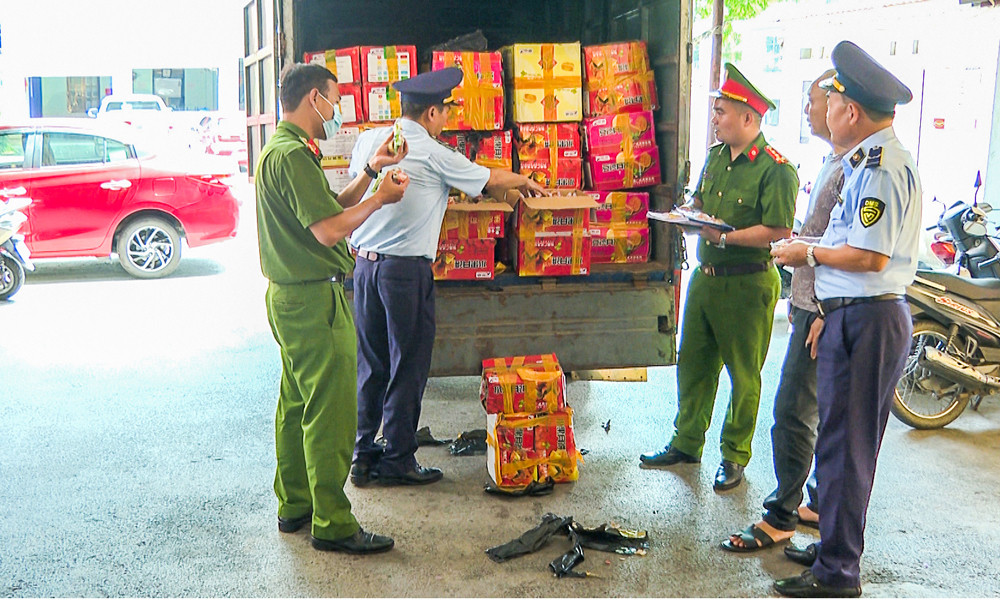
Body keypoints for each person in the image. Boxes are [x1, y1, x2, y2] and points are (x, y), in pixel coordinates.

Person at [347, 68, 547, 487]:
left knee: (373, 364)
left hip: (364, 267)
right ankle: (399, 458)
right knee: (409, 364)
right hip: (404, 273)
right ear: (433, 112)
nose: (448, 119)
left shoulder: (370, 140)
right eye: (446, 111)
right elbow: (489, 180)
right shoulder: (433, 151)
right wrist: (525, 179)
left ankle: (363, 454)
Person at [770, 40, 920, 597]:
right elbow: (854, 253)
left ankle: (837, 574)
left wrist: (803, 252)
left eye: (828, 101)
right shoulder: (866, 162)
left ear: (850, 111)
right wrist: (826, 311)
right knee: (836, 444)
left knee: (848, 449)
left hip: (871, 320)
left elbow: (869, 256)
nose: (823, 111)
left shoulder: (880, 168)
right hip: (853, 315)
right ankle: (832, 545)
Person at [255, 63, 411, 554]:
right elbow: (328, 231)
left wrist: (370, 173)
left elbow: (330, 209)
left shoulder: (282, 152)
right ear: (312, 99)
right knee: (330, 411)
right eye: (334, 99)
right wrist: (382, 200)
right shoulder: (293, 157)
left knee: (296, 404)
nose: (336, 110)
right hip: (312, 299)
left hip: (290, 296)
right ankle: (333, 522)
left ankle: (296, 504)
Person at [640, 63, 798, 492]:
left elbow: (780, 230)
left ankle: (734, 456)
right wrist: (688, 213)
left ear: (749, 117)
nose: (715, 118)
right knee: (694, 364)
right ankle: (687, 442)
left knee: (744, 376)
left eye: (722, 111)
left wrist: (725, 239)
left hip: (748, 283)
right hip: (706, 280)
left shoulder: (776, 169)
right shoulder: (715, 157)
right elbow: (700, 199)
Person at [722, 69, 845, 553]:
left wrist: (817, 307)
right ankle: (813, 501)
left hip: (824, 307)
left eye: (816, 101)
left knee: (793, 411)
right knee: (812, 410)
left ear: (844, 107)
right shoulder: (836, 160)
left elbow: (846, 249)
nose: (811, 109)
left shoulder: (853, 167)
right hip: (811, 302)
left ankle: (782, 516)